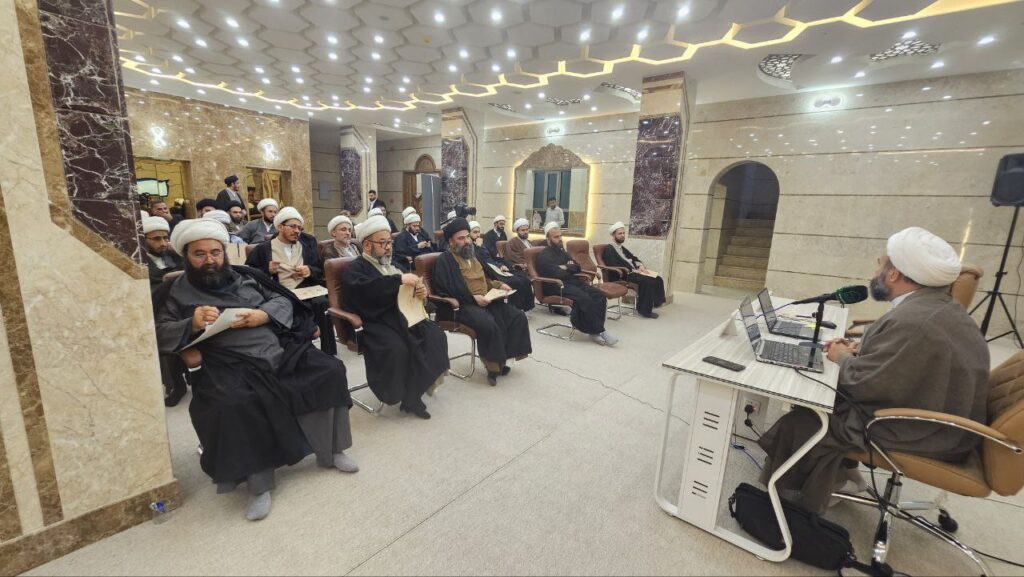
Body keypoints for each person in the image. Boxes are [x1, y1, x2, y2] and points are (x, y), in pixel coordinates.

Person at [757, 227, 989, 514]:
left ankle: (787, 505)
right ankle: (840, 477)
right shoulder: (935, 307)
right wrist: (859, 351)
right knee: (820, 401)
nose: (875, 270)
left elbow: (863, 384)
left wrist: (842, 357)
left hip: (925, 431)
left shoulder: (913, 321)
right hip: (944, 421)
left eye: (880, 264)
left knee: (804, 420)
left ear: (893, 274)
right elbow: (904, 363)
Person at [154, 219, 357, 521]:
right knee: (235, 402)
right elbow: (158, 333)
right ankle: (258, 484)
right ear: (186, 256)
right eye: (199, 254)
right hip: (227, 360)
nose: (209, 260)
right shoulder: (175, 293)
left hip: (276, 347)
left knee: (329, 370)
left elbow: (281, 299)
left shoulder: (246, 276)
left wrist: (263, 315)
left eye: (215, 252)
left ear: (224, 253)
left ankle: (331, 451)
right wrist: (192, 324)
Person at [341, 215, 449, 419]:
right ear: (367, 245)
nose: (388, 248)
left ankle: (413, 394)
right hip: (375, 321)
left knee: (436, 336)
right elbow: (367, 292)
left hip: (403, 317)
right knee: (398, 348)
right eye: (383, 243)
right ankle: (400, 394)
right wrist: (398, 280)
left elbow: (409, 291)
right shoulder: (355, 269)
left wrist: (421, 293)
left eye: (390, 242)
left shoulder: (394, 264)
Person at [433, 219, 532, 386]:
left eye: (467, 237)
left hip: (485, 299)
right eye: (461, 238)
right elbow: (448, 288)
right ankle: (493, 368)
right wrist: (473, 298)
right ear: (451, 241)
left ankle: (502, 359)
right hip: (460, 306)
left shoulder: (473, 256)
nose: (466, 241)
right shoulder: (445, 260)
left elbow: (485, 279)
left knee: (516, 316)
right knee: (488, 323)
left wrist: (499, 285)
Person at [246, 207, 335, 357]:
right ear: (280, 227)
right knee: (290, 306)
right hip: (279, 292)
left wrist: (309, 270)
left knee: (322, 303)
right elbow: (249, 275)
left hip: (306, 289)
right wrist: (267, 270)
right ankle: (299, 352)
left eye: (299, 228)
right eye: (293, 226)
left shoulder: (307, 244)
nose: (297, 231)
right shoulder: (263, 249)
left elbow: (320, 269)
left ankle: (328, 351)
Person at [535, 222, 619, 346]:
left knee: (599, 295)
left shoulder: (562, 251)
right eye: (556, 237)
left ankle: (594, 331)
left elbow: (577, 267)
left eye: (560, 236)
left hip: (571, 282)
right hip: (556, 286)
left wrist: (566, 267)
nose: (559, 239)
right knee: (584, 299)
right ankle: (600, 331)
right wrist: (568, 268)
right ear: (548, 238)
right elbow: (557, 273)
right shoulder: (544, 255)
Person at [602, 222, 666, 319]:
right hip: (622, 275)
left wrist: (640, 266)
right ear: (613, 235)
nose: (622, 235)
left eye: (623, 233)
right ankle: (644, 311)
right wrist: (633, 270)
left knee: (657, 278)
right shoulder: (609, 249)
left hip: (632, 272)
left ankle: (656, 302)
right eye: (620, 233)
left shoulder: (621, 248)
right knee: (647, 281)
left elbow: (633, 258)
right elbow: (613, 264)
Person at [469, 221, 534, 312]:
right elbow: (479, 261)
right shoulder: (469, 247)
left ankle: (524, 308)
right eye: (475, 232)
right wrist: (478, 247)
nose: (478, 235)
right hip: (487, 272)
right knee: (513, 282)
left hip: (494, 267)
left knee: (523, 279)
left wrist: (501, 265)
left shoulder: (480, 244)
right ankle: (514, 309)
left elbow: (491, 257)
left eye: (479, 232)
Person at [141, 216, 182, 288]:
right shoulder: (139, 264)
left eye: (165, 238)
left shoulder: (175, 255)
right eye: (156, 239)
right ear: (143, 240)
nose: (163, 244)